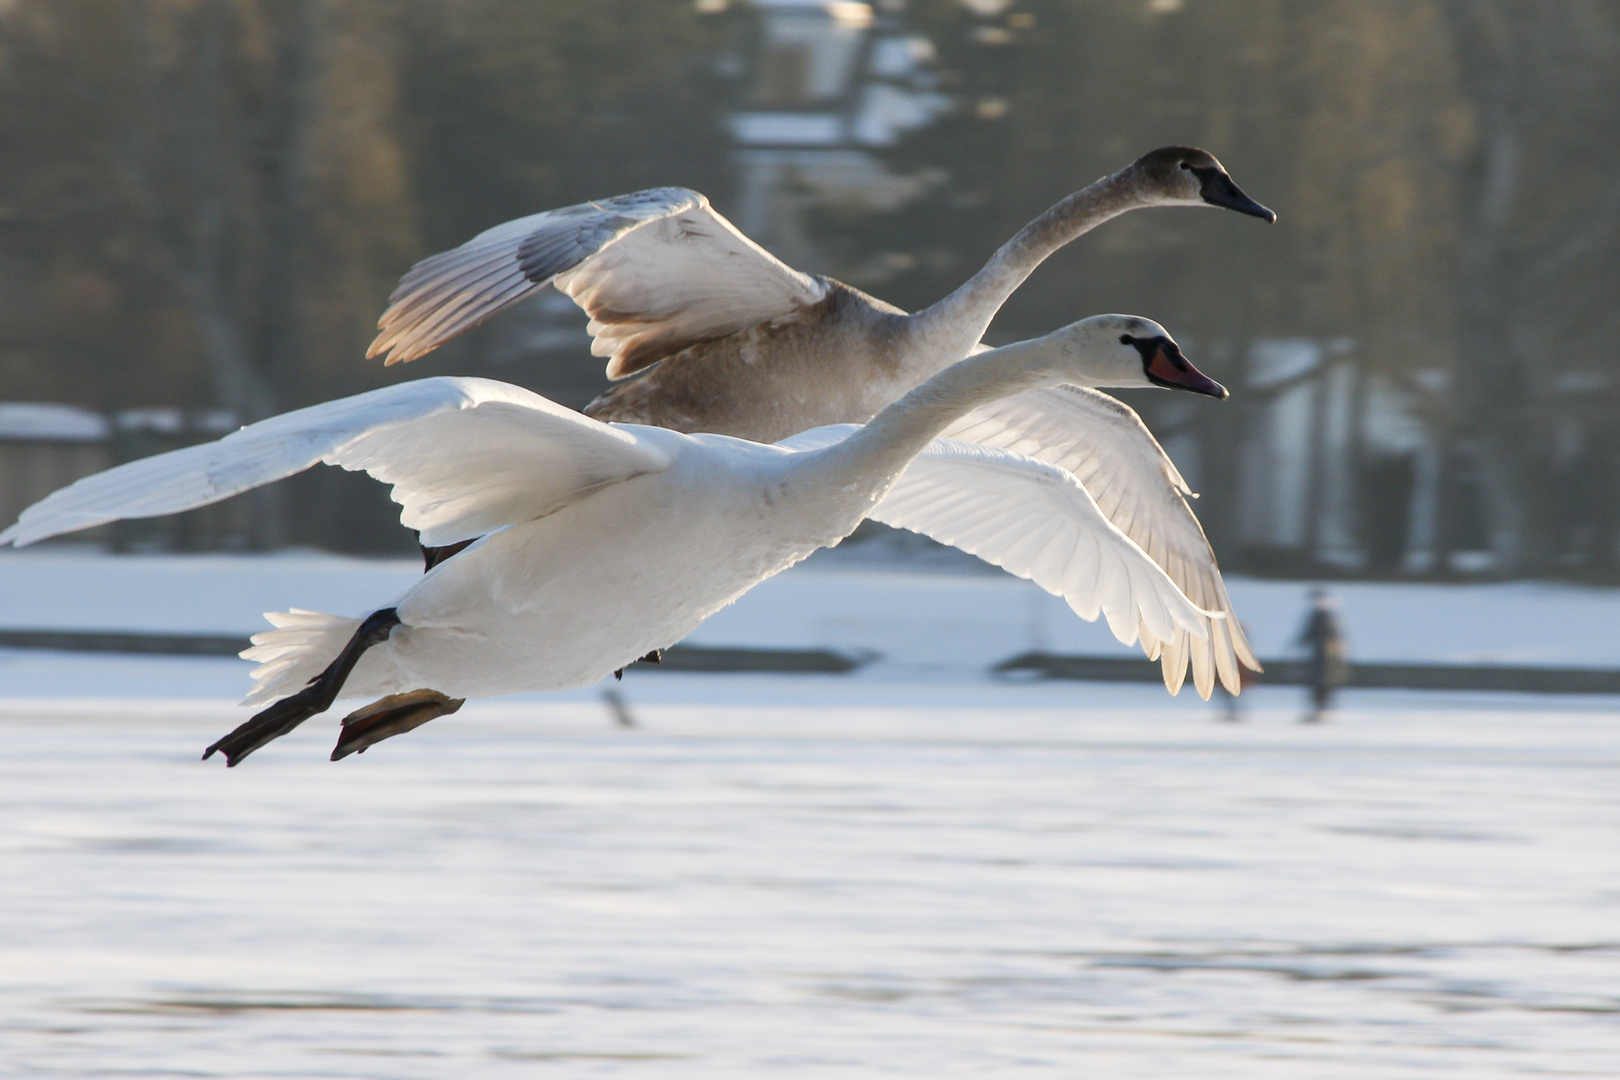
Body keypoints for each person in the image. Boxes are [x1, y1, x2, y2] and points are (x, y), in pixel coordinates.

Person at [1296, 588, 1347, 722]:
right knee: (1319, 683)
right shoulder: (1323, 615)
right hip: (1321, 656)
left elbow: (1311, 633)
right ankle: (1320, 710)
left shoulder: (1325, 616)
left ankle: (1322, 711)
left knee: (1322, 683)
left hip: (1325, 658)